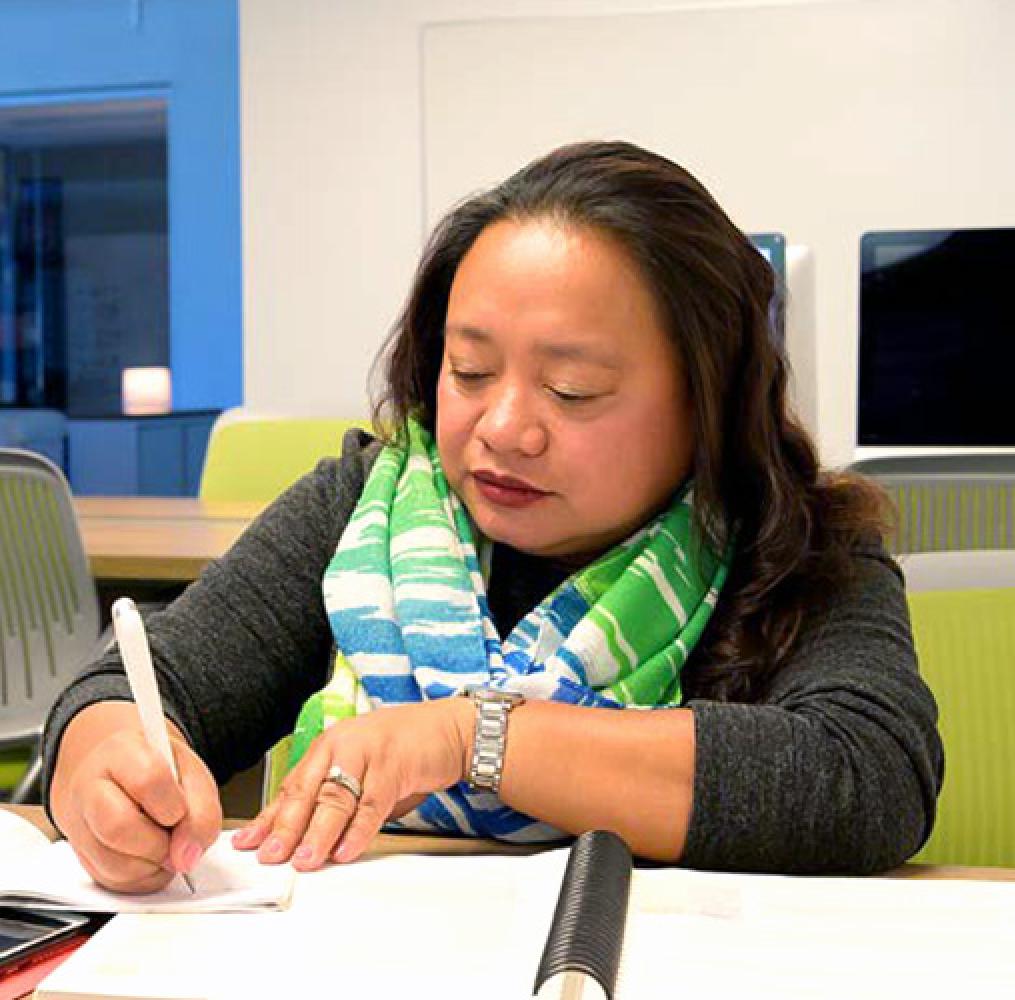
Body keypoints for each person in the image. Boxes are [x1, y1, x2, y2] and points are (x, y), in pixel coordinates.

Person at [42, 140, 943, 893]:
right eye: (469, 372)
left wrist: (473, 734)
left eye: (571, 389)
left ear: (709, 401)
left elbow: (864, 779)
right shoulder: (368, 506)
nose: (503, 429)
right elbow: (139, 687)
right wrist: (106, 763)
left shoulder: (798, 547)